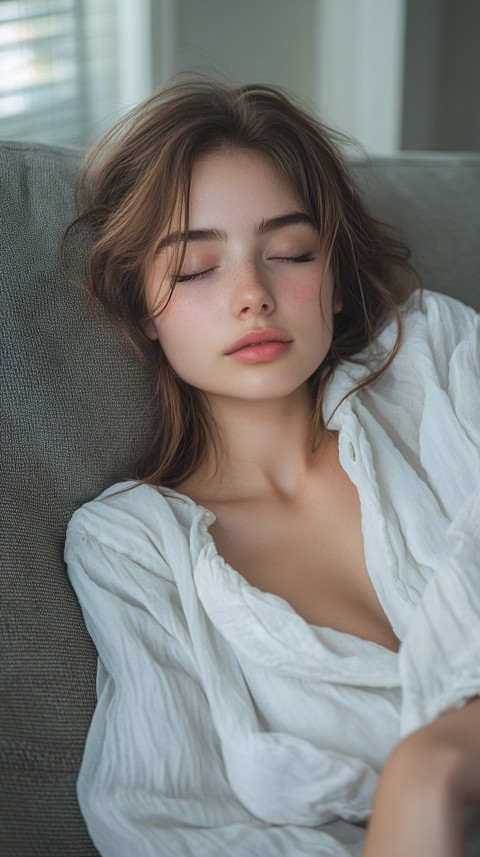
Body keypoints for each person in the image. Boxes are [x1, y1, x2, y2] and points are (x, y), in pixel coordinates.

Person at [63, 77, 480, 857]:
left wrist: (434, 763)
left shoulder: (437, 366)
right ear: (140, 308)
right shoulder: (131, 548)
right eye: (195, 270)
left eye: (288, 253)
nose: (253, 294)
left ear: (333, 273)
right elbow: (168, 821)